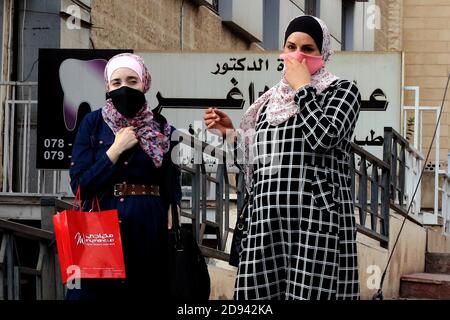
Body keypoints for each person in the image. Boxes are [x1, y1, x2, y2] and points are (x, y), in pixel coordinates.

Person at [204, 15, 361, 300]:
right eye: (291, 46)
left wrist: (304, 89)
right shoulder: (268, 102)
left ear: (322, 53)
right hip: (266, 223)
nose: (297, 55)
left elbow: (323, 137)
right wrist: (231, 134)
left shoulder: (342, 92)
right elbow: (256, 163)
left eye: (308, 49)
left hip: (314, 222)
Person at [68, 53, 181, 300]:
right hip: (102, 221)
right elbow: (79, 184)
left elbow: (172, 177)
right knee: (97, 294)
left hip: (149, 222)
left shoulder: (161, 126)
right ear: (107, 86)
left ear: (145, 84)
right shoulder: (93, 123)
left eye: (132, 81)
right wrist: (114, 150)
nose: (125, 88)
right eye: (117, 83)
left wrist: (173, 207)